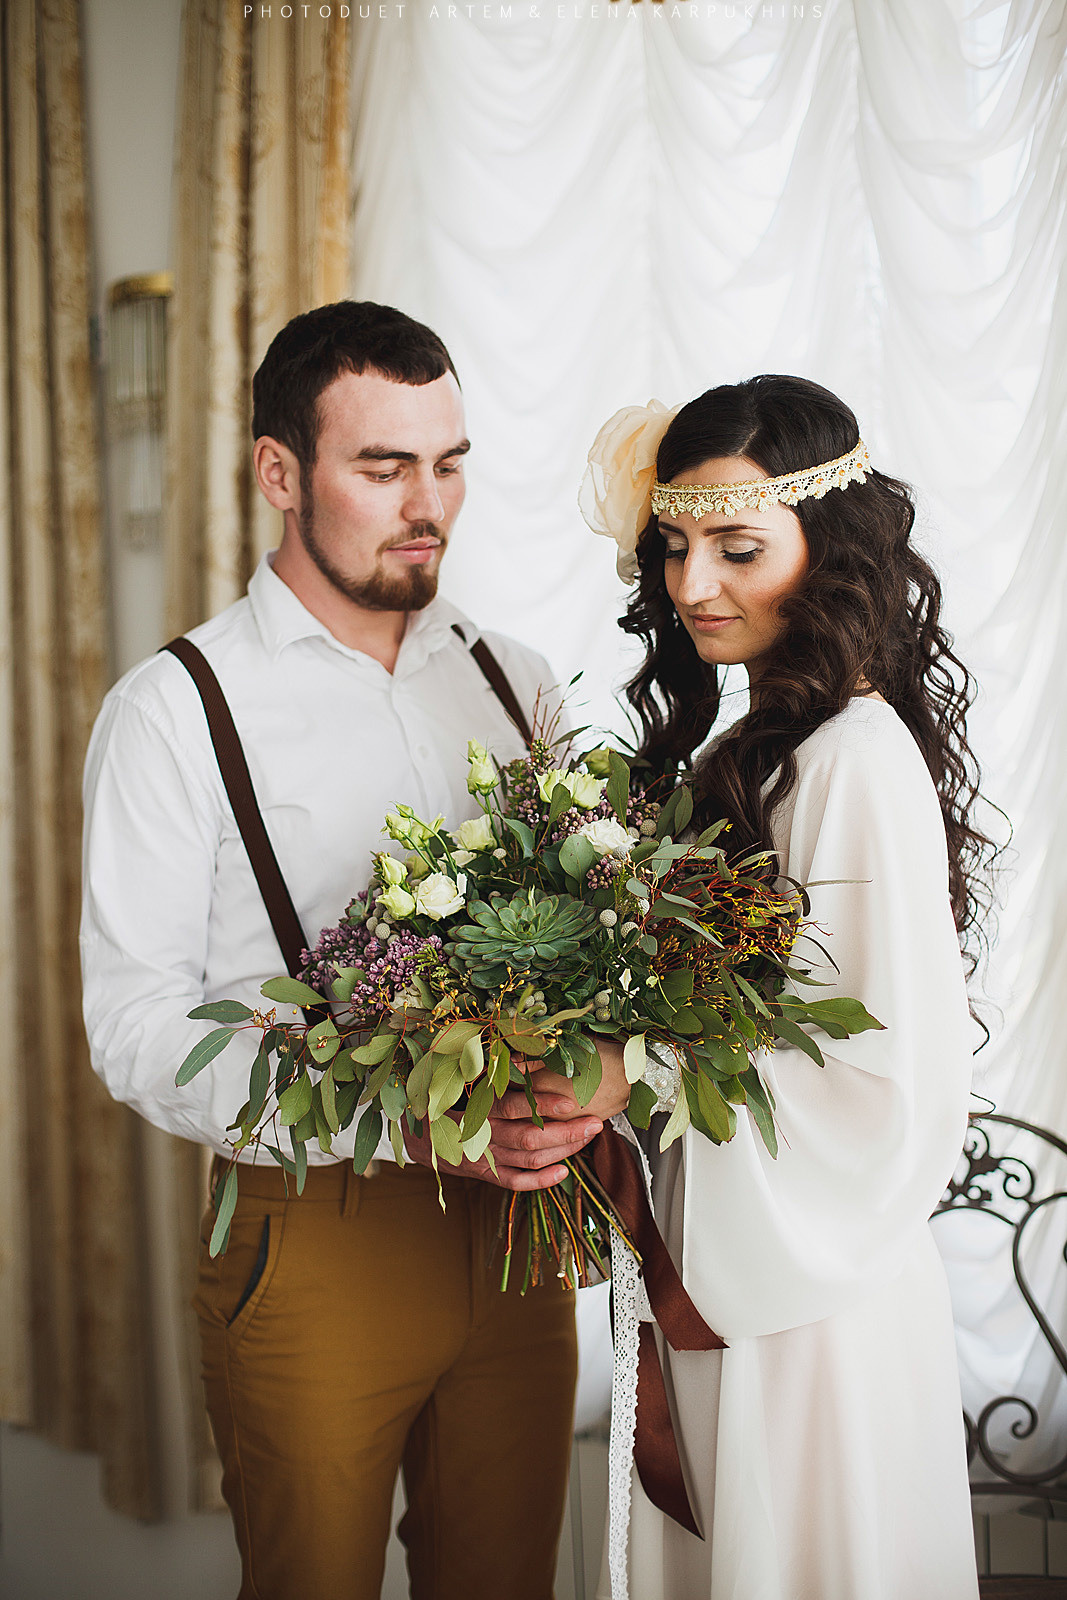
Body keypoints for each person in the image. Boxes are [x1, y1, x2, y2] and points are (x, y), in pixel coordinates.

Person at [79, 300, 601, 1600]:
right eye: (382, 466)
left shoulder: (514, 678)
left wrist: (589, 1076)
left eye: (448, 462)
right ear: (278, 473)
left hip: (514, 1239)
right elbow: (133, 1026)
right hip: (307, 1239)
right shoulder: (171, 712)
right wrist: (391, 1125)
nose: (427, 503)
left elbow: (591, 947)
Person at [502, 374, 985, 1599]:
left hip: (803, 1307)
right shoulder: (758, 749)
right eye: (672, 546)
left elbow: (880, 1075)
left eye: (735, 546)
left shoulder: (851, 761)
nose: (691, 584)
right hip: (734, 1271)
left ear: (829, 548)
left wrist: (632, 1065)